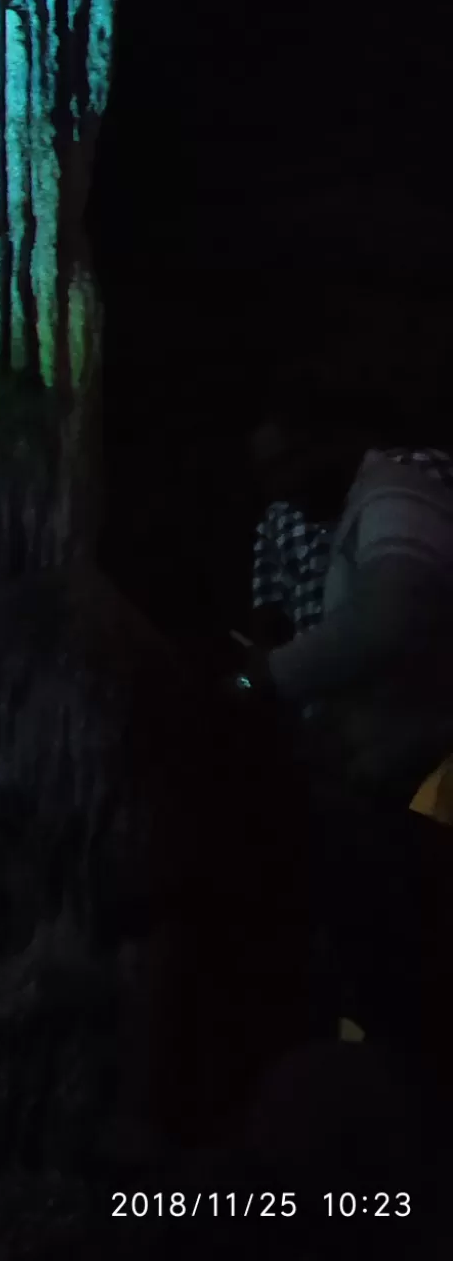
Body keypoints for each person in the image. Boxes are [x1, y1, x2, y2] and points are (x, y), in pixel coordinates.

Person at [232, 374, 453, 1087]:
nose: (282, 486)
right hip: (399, 784)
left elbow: (395, 614)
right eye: (268, 473)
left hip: (421, 788)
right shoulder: (359, 509)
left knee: (409, 969)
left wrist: (268, 678)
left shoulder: (394, 496)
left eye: (291, 463)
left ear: (337, 442)